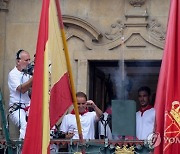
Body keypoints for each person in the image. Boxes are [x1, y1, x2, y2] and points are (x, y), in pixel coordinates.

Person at [8, 49, 33, 139]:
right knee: (24, 124)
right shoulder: (13, 74)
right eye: (26, 60)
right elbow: (21, 89)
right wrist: (34, 78)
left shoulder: (29, 74)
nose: (29, 62)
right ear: (18, 61)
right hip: (16, 107)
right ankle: (22, 149)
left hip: (28, 106)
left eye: (29, 60)